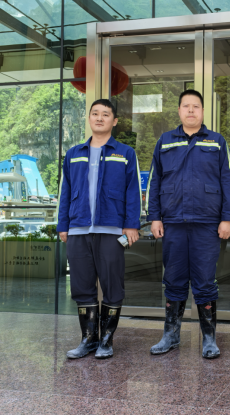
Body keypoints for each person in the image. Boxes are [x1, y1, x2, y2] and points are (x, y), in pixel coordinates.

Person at [146, 89, 230, 359]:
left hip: (207, 223)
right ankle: (171, 335)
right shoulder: (165, 141)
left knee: (205, 281)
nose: (190, 110)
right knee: (173, 279)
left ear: (202, 111)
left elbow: (229, 181)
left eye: (195, 106)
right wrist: (154, 217)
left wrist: (227, 218)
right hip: (173, 222)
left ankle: (209, 338)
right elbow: (154, 182)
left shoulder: (217, 141)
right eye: (185, 106)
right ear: (178, 111)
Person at [57, 99, 141, 359]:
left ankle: (106, 340)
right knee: (82, 286)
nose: (99, 118)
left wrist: (131, 225)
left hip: (112, 229)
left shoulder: (125, 153)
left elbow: (133, 191)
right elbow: (65, 191)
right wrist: (63, 225)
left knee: (112, 285)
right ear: (89, 118)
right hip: (78, 229)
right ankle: (88, 339)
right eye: (95, 113)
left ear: (114, 121)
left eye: (105, 114)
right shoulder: (73, 154)